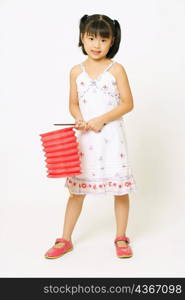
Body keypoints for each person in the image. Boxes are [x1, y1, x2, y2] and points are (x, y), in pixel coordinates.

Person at [45, 14, 137, 259]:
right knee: (76, 191)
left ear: (112, 41)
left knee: (120, 189)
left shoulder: (116, 69)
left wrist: (101, 119)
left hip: (112, 138)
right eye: (91, 37)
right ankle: (65, 239)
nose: (97, 44)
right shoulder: (76, 71)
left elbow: (128, 103)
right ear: (82, 38)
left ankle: (121, 236)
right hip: (86, 139)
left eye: (103, 39)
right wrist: (78, 118)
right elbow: (74, 103)